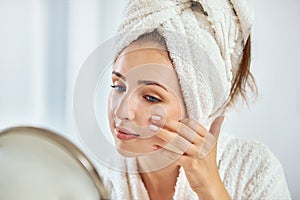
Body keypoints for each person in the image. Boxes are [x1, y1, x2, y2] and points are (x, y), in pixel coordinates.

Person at [98, 0, 292, 199]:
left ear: (197, 106)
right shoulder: (95, 184)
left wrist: (210, 188)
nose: (121, 112)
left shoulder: (255, 171)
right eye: (118, 86)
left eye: (150, 97)